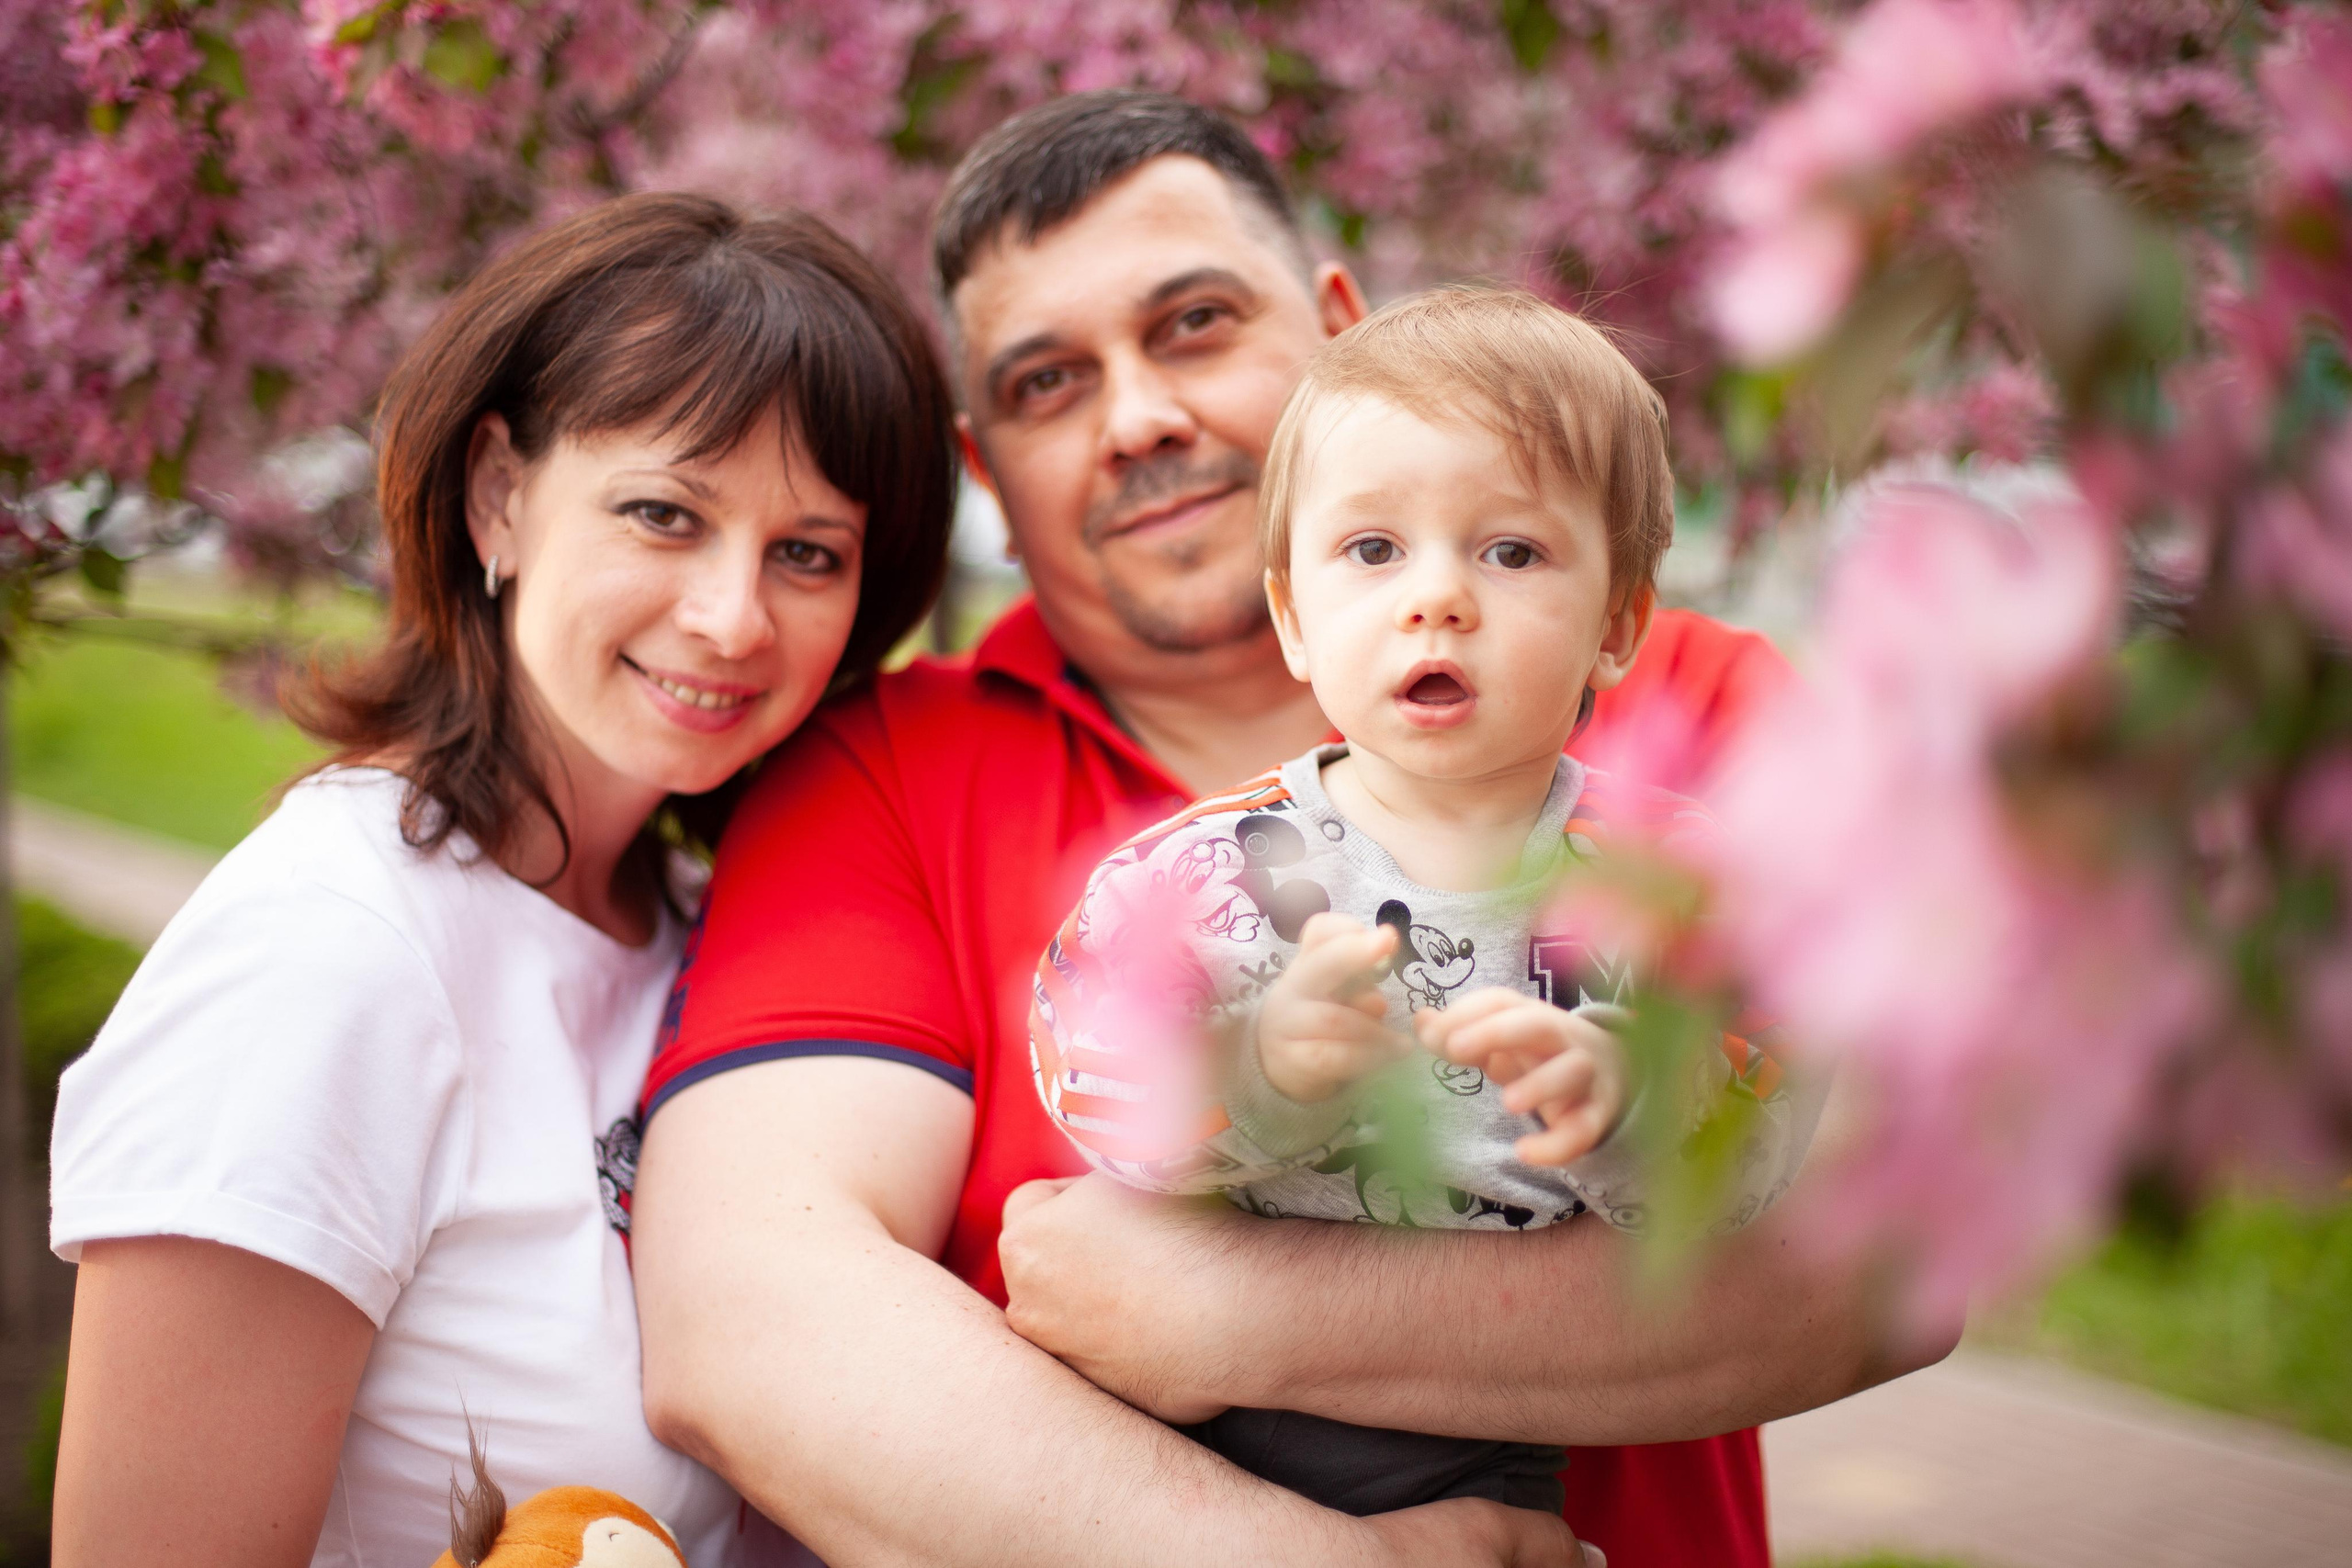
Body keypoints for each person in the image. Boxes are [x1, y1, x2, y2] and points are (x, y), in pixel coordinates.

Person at [631, 91, 1951, 1568]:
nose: (1138, 417)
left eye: (1193, 322)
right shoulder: (883, 772)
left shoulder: (1690, 722)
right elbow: (747, 1322)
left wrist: (1231, 1313)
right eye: (1050, 382)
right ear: (992, 471)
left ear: (1338, 327)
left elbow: (1900, 1244)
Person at [46, 191, 955, 1568]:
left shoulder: (720, 940)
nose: (731, 615)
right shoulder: (329, 956)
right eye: (663, 514)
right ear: (499, 496)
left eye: (806, 553)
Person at [1030, 287, 1822, 1520]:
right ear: (1295, 616)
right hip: (1181, 1439)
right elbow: (1091, 1075)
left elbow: (1771, 1123)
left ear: (1617, 622)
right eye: (1373, 550)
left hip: (1488, 1439)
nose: (1437, 597)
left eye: (1511, 551)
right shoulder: (1205, 873)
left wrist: (1633, 1103)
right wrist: (1257, 1073)